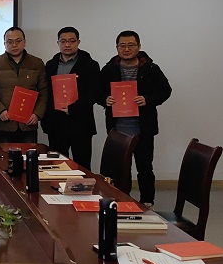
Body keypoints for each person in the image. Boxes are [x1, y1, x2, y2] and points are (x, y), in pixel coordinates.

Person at [99, 30, 172, 207]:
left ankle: (147, 201)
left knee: (145, 167)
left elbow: (165, 90)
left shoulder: (151, 69)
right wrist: (105, 100)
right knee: (120, 169)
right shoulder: (109, 69)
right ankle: (122, 200)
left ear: (139, 47)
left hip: (143, 128)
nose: (126, 49)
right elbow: (97, 91)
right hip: (118, 129)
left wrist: (148, 99)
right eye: (122, 45)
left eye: (131, 45)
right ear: (117, 48)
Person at [41, 27, 100, 169]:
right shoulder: (50, 65)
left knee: (82, 166)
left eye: (71, 41)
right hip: (56, 124)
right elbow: (46, 92)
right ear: (58, 43)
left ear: (78, 42)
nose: (67, 45)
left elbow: (94, 93)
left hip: (81, 124)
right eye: (63, 41)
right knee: (56, 166)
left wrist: (73, 108)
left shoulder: (90, 65)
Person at [0, 26, 48, 143]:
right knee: (3, 155)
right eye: (10, 42)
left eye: (18, 41)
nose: (14, 45)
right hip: (4, 124)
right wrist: (0, 111)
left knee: (29, 154)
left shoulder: (37, 63)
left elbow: (44, 92)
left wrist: (37, 114)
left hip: (28, 124)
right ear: (4, 44)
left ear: (24, 42)